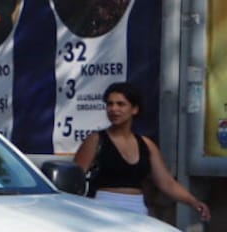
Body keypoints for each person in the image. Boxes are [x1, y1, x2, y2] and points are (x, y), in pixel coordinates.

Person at [74, 80, 210, 221]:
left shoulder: (146, 144)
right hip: (103, 208)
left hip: (137, 209)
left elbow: (166, 182)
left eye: (120, 104)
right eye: (110, 104)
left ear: (134, 109)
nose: (113, 109)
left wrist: (193, 202)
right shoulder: (95, 140)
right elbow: (74, 178)